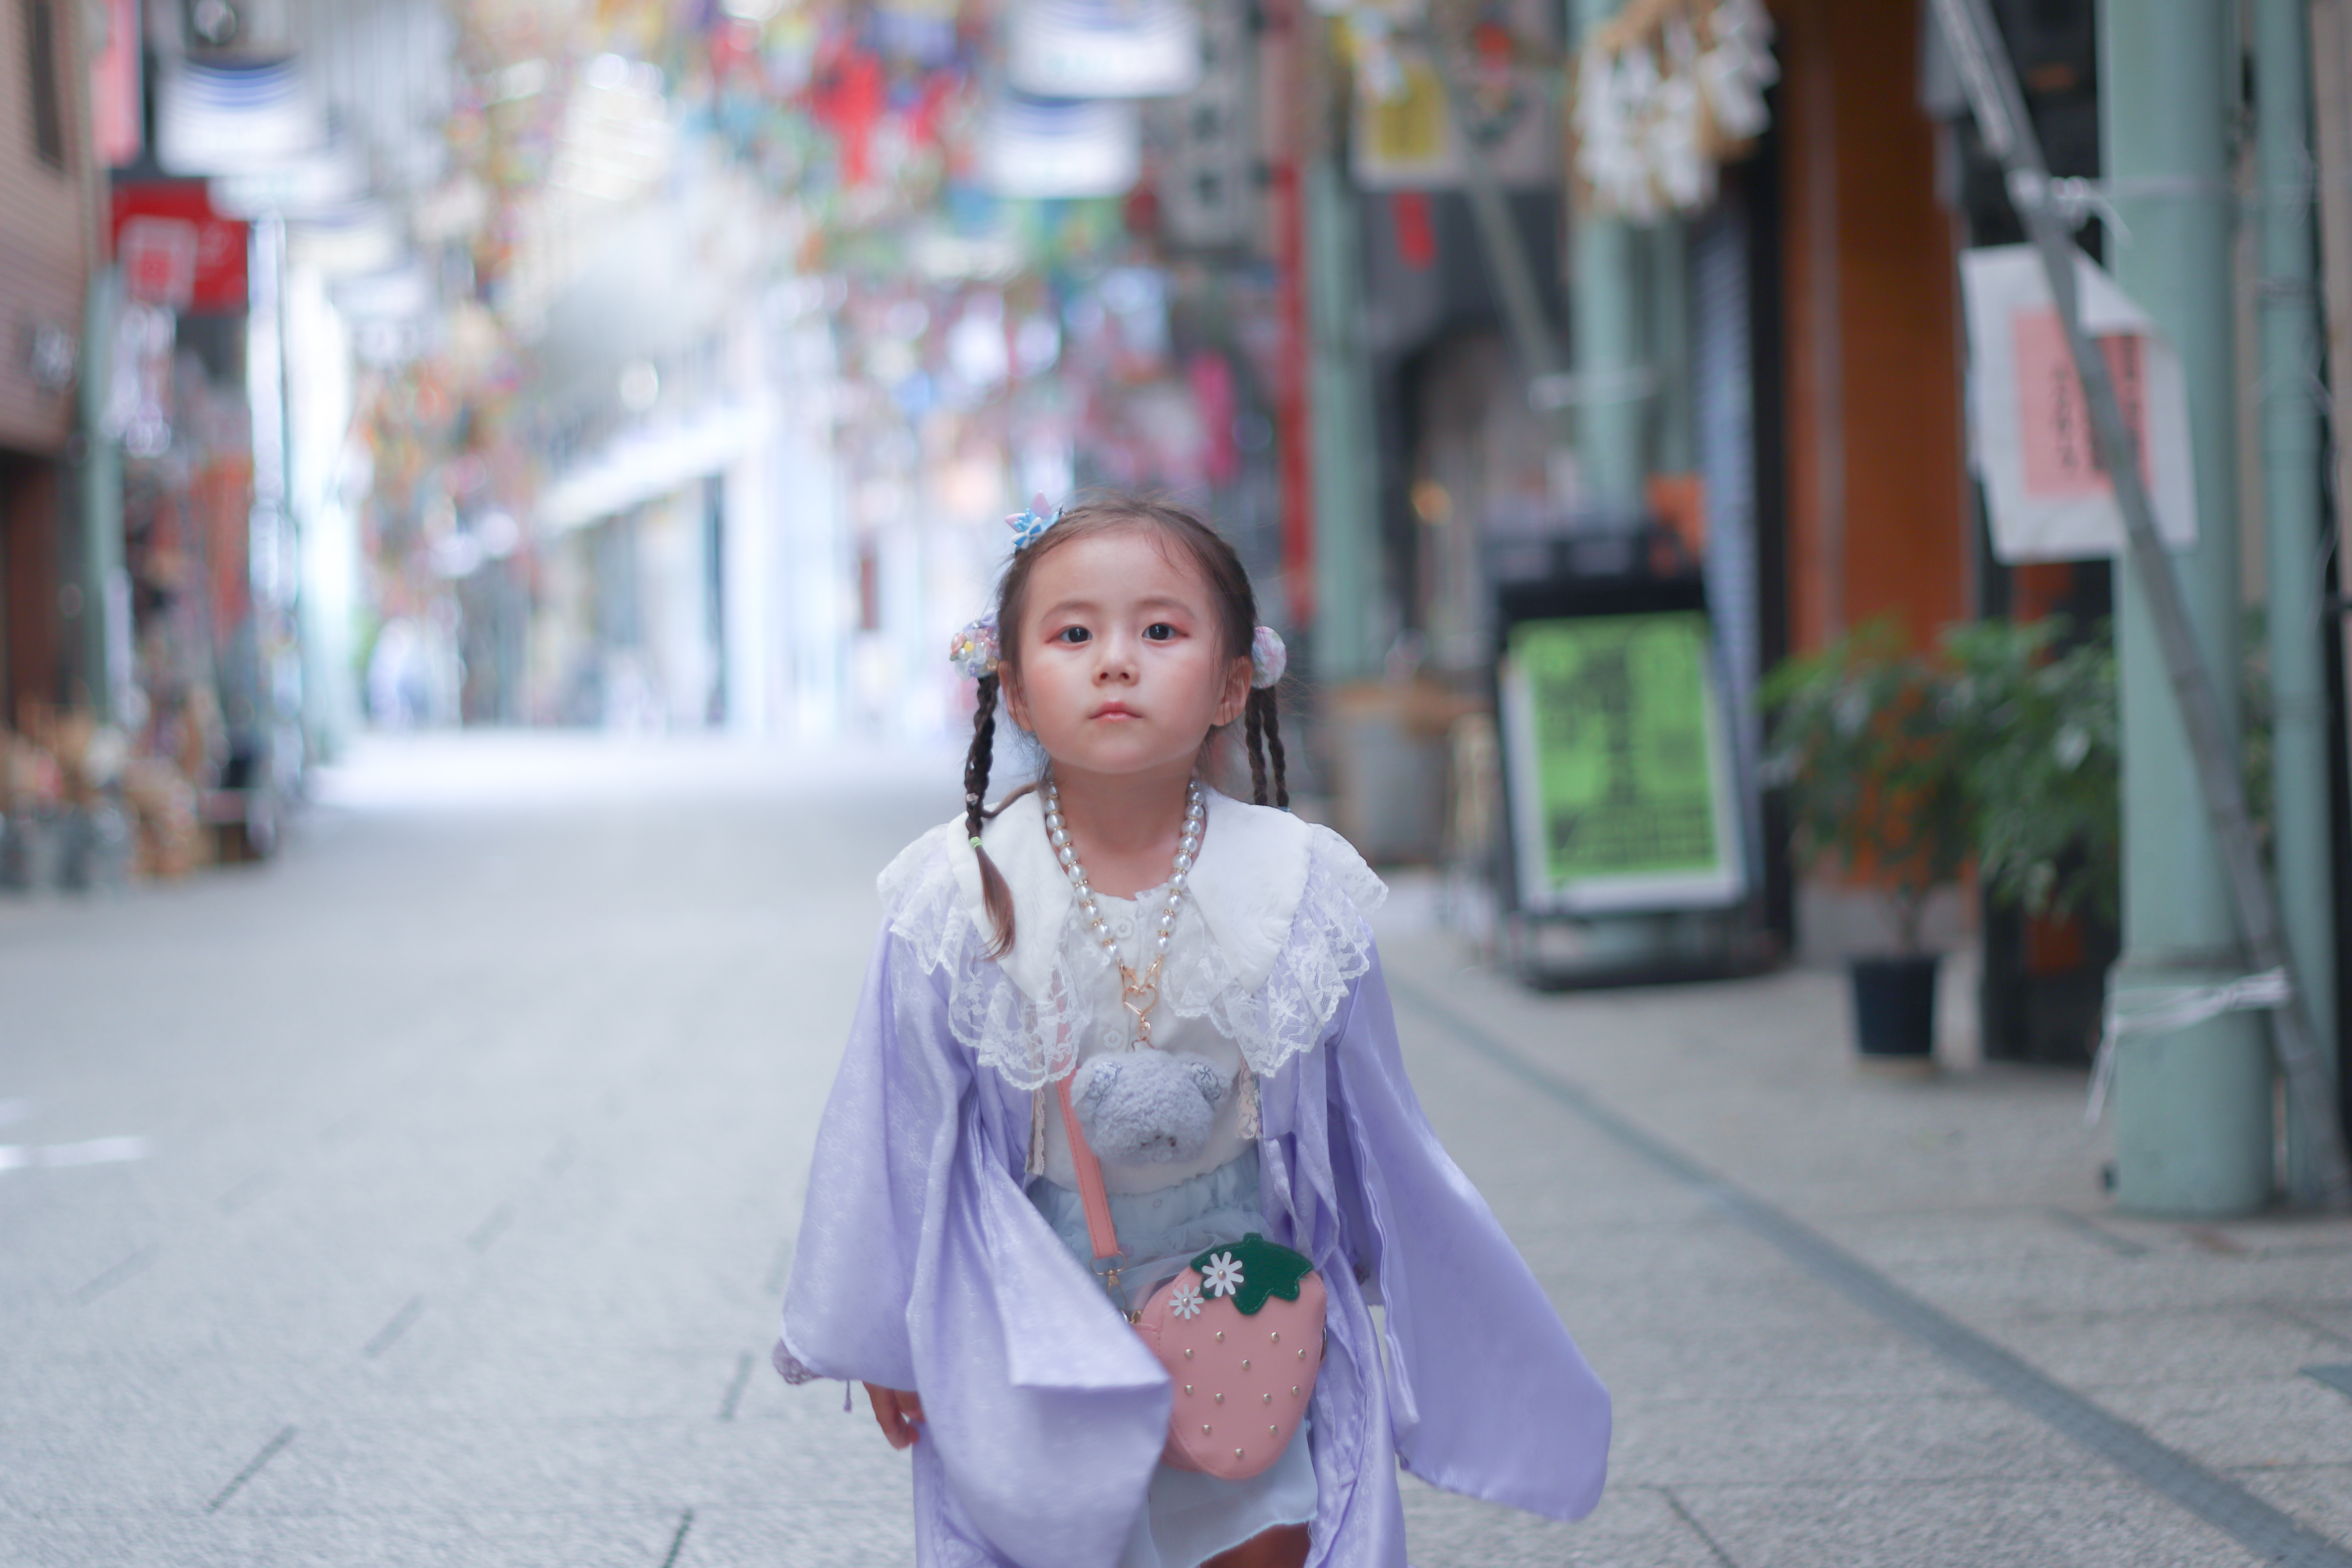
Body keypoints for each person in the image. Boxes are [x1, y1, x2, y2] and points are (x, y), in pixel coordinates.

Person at [774, 495, 1610, 1568]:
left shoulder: (1295, 886)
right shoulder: (954, 895)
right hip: (1037, 1323)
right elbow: (890, 1122)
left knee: (1260, 1536)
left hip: (1242, 1319)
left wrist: (1380, 1282)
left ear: (1230, 682)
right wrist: (887, 1331)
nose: (1116, 661)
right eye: (1074, 634)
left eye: (1160, 631)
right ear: (1016, 687)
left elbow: (1372, 1118)